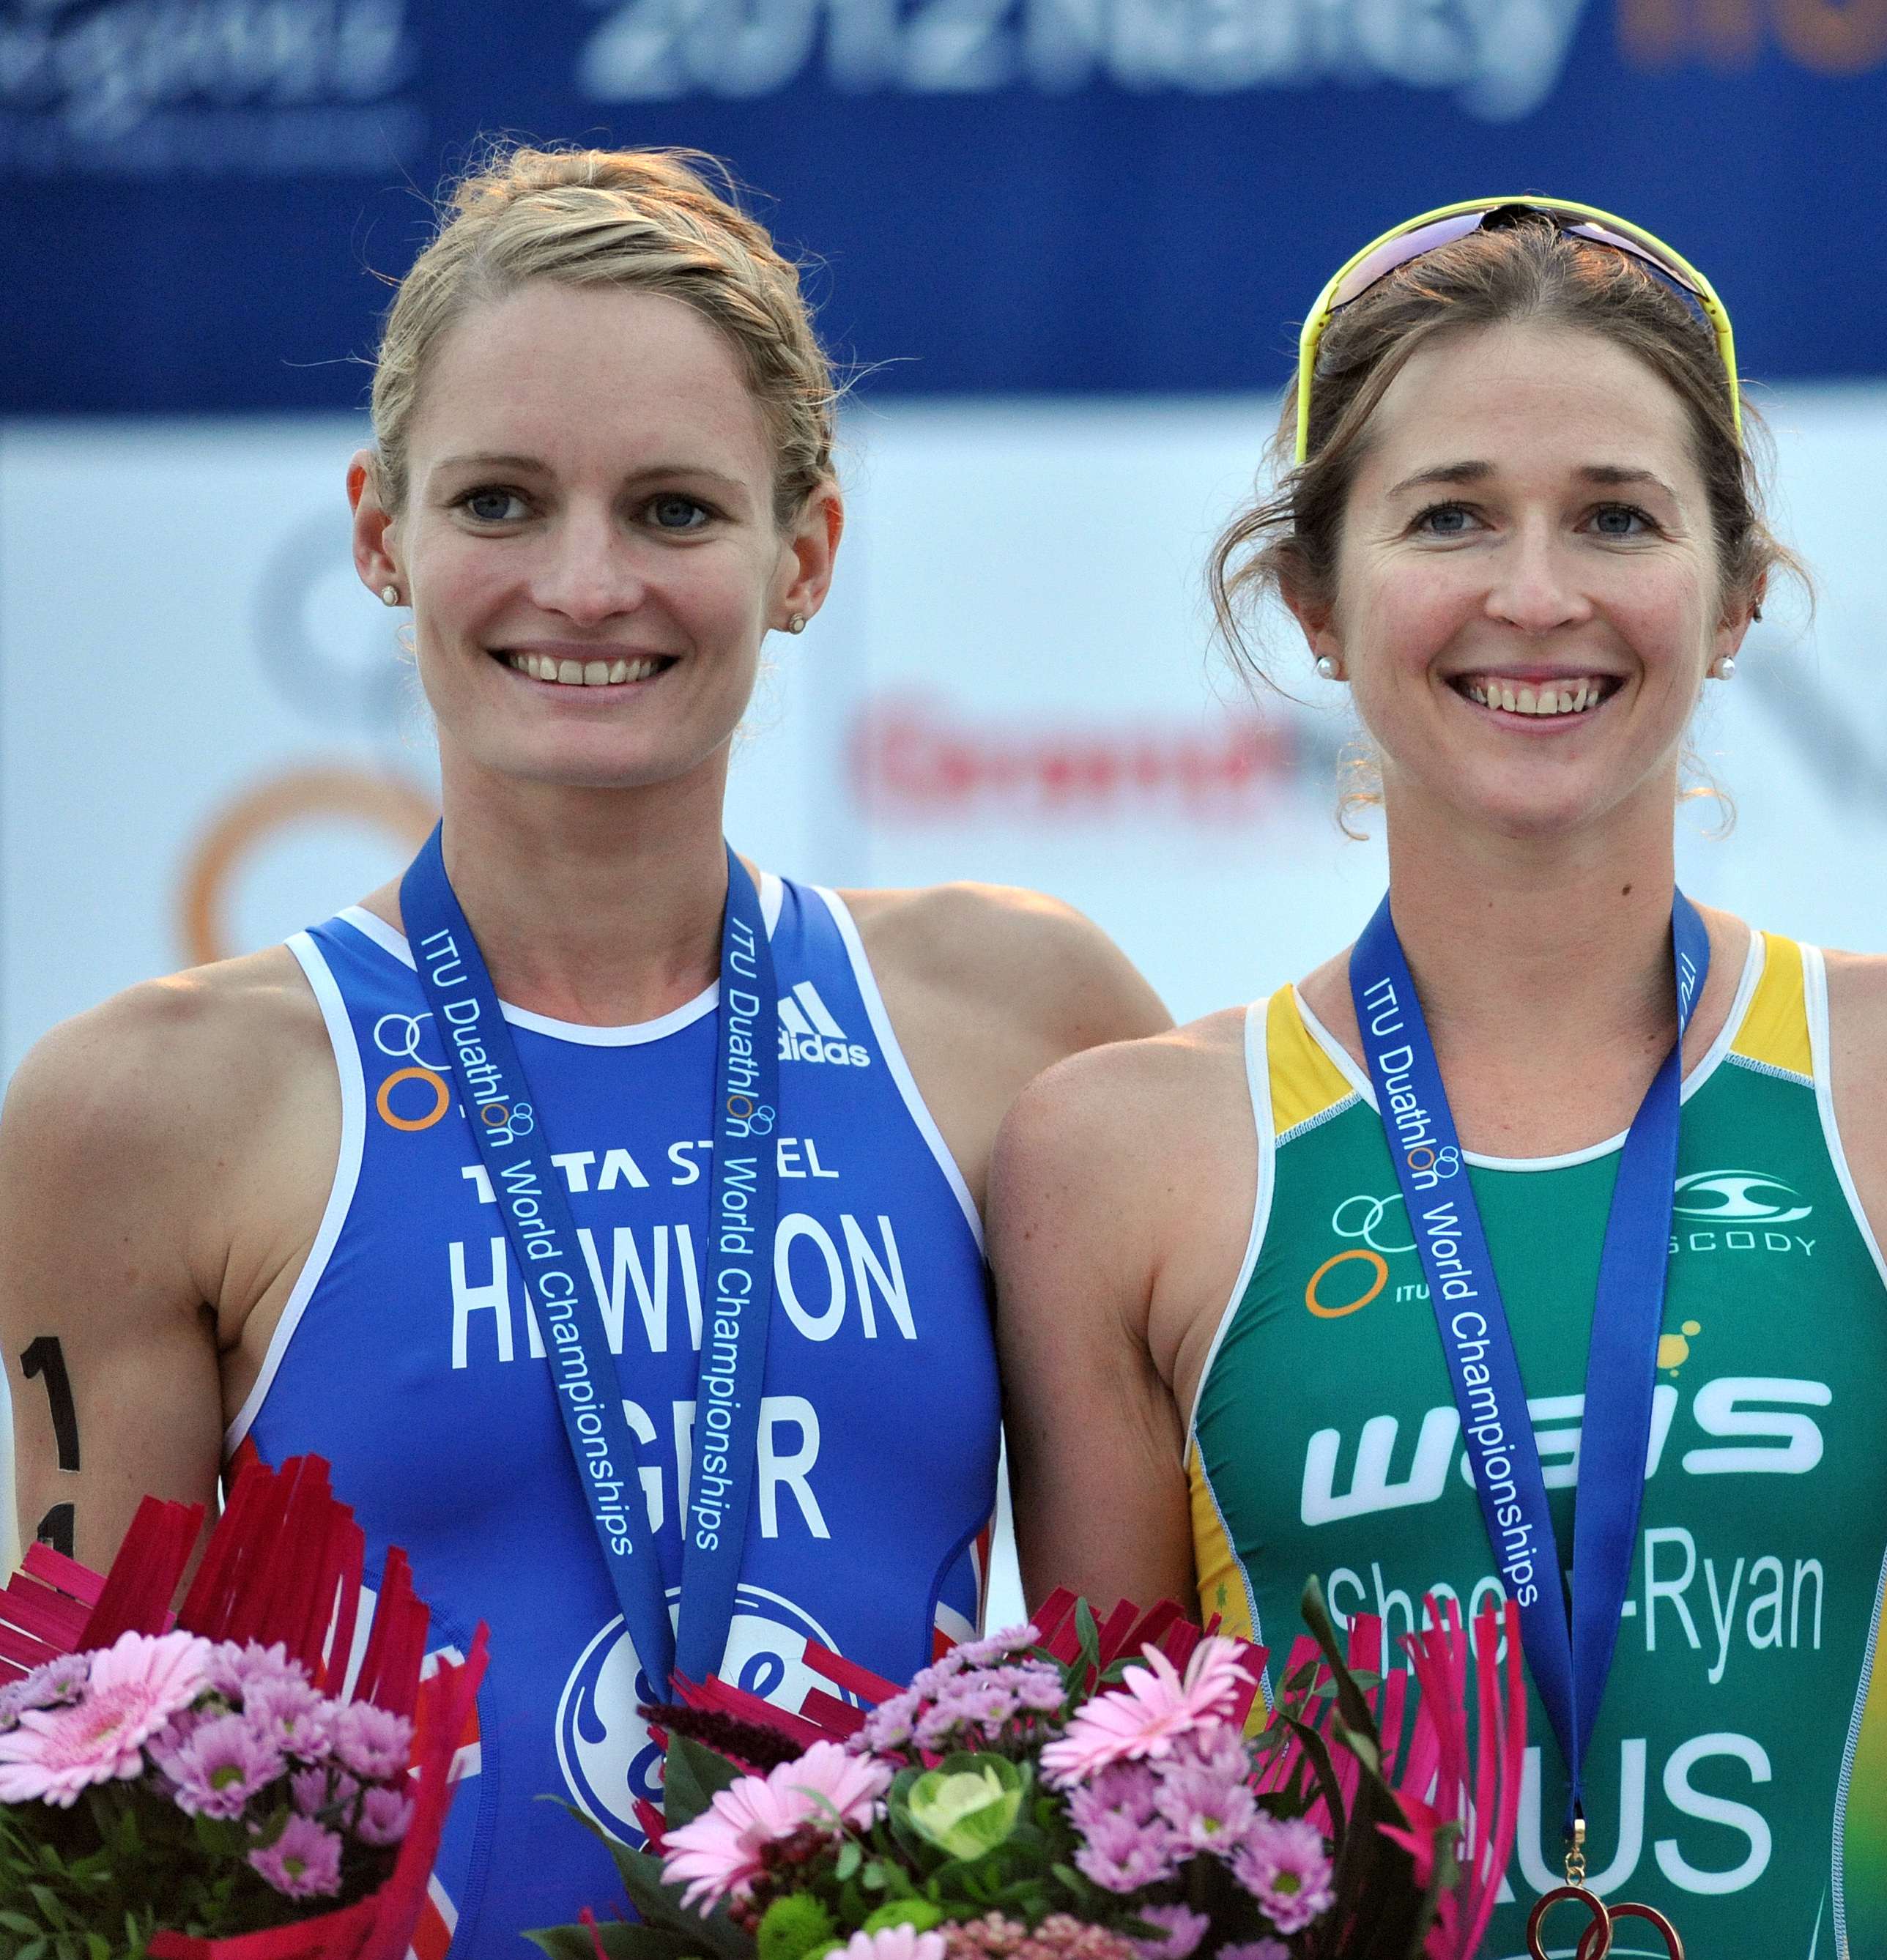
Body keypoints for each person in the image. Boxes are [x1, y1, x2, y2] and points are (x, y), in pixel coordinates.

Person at [990, 197, 1887, 1957]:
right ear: (1315, 600)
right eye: (1452, 516)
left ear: (1732, 596)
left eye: (1615, 518)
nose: (1535, 593)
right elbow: (1121, 1865)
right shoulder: (1117, 1156)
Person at [0, 146, 1171, 1956]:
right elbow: (89, 1842)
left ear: (808, 552)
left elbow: (1145, 1756)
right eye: (498, 500)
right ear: (379, 533)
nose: (585, 581)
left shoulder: (1017, 1024)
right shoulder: (149, 1109)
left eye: (676, 512)